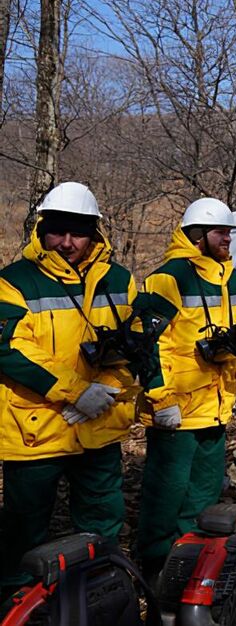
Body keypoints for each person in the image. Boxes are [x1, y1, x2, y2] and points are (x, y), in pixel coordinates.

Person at [0, 183, 138, 599]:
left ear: (95, 232)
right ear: (41, 230)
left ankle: (100, 596)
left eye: (76, 232)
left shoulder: (120, 280)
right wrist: (75, 391)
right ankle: (17, 604)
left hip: (99, 424)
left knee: (102, 520)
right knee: (25, 528)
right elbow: (9, 350)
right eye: (56, 232)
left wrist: (108, 388)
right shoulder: (14, 281)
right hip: (36, 428)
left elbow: (137, 347)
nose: (65, 243)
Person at [135, 197, 236, 578]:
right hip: (177, 410)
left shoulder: (235, 281)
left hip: (215, 406)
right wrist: (159, 397)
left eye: (230, 232)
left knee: (203, 490)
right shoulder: (168, 278)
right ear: (197, 235)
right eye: (221, 232)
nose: (228, 239)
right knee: (166, 493)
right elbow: (145, 342)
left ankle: (189, 557)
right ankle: (154, 565)